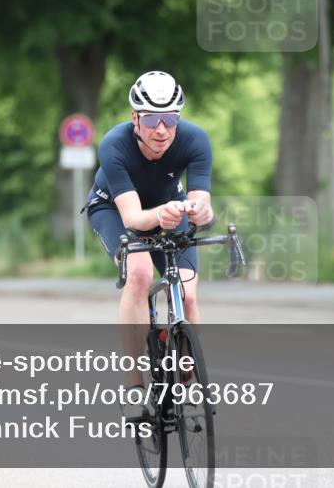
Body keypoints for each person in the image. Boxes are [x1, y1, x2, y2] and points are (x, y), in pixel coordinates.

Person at [84, 71, 213, 418]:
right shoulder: (114, 144)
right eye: (152, 119)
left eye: (170, 119)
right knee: (140, 273)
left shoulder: (195, 140)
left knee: (187, 292)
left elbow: (203, 203)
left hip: (171, 208)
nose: (161, 130)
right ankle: (134, 385)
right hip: (116, 210)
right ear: (135, 119)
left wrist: (201, 210)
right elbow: (133, 219)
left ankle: (187, 378)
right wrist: (163, 215)